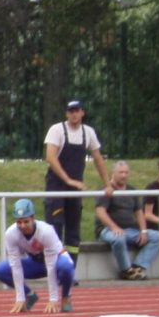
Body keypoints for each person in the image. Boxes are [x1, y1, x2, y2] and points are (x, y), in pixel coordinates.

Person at [41, 100, 104, 259]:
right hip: (56, 185)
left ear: (83, 112)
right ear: (66, 113)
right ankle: (53, 269)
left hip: (75, 188)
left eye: (77, 111)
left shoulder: (88, 132)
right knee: (54, 227)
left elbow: (98, 159)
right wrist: (68, 180)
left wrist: (108, 184)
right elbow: (50, 157)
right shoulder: (57, 130)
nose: (74, 114)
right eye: (71, 111)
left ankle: (70, 270)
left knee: (73, 231)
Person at [0, 199, 78, 313]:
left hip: (57, 261)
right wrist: (20, 297)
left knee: (66, 267)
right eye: (19, 222)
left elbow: (51, 264)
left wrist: (53, 299)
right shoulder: (11, 234)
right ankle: (30, 295)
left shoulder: (46, 231)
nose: (22, 226)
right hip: (36, 263)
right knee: (0, 270)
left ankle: (66, 296)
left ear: (33, 218)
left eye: (26, 221)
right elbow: (15, 265)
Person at [93, 162, 159, 280]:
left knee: (157, 236)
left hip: (130, 230)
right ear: (113, 173)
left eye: (126, 172)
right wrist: (114, 227)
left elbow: (139, 212)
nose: (124, 175)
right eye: (121, 172)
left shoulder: (131, 190)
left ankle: (137, 267)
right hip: (107, 230)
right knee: (119, 238)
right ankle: (126, 270)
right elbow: (100, 212)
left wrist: (143, 231)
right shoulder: (107, 189)